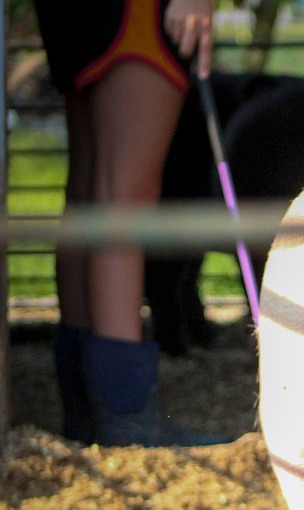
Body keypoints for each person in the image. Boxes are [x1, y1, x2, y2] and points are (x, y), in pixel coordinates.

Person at [35, 0, 226, 446]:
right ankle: (127, 416)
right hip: (136, 15)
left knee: (89, 197)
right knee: (123, 204)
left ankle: (87, 410)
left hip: (80, 18)